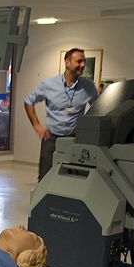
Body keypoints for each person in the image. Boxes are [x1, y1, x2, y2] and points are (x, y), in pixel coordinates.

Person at [24, 48, 98, 180]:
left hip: (75, 140)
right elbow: (28, 102)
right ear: (67, 62)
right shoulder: (49, 85)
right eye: (79, 61)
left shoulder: (88, 87)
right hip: (51, 139)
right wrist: (37, 125)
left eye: (84, 61)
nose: (83, 65)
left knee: (71, 178)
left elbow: (99, 107)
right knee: (45, 177)